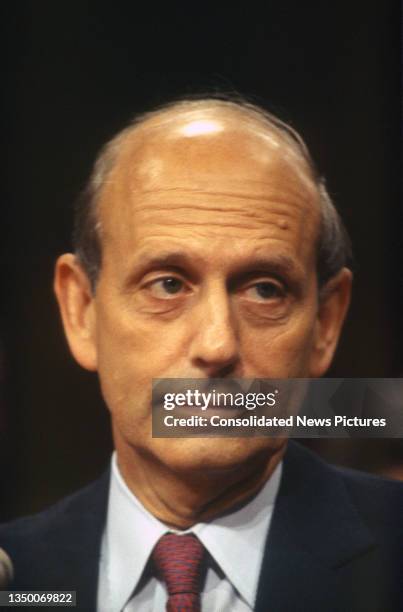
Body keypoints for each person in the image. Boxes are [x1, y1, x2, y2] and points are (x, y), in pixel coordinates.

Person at [0, 97, 402, 612]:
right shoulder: (19, 580)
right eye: (167, 284)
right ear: (81, 311)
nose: (218, 346)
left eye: (264, 290)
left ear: (326, 324)